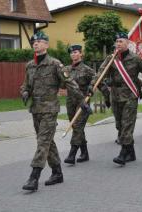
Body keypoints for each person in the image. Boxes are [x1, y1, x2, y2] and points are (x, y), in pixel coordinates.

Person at [20, 31, 88, 191]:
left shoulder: (55, 64)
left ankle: (33, 177)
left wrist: (81, 100)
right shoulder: (30, 65)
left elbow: (70, 83)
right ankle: (57, 173)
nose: (35, 44)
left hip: (50, 109)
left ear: (46, 44)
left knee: (42, 142)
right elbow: (26, 85)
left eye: (39, 41)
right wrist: (24, 92)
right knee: (47, 142)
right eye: (34, 42)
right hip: (35, 110)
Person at [89, 32, 142, 166]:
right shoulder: (111, 59)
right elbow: (100, 73)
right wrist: (92, 85)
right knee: (120, 126)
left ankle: (123, 153)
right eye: (117, 41)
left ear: (128, 43)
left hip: (130, 95)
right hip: (115, 95)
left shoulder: (136, 59)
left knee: (127, 125)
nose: (118, 44)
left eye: (121, 41)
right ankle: (131, 152)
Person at [63, 44, 96, 165]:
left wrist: (106, 95)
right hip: (70, 101)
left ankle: (72, 154)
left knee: (77, 125)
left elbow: (97, 80)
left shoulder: (87, 69)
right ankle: (85, 153)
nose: (73, 54)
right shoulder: (66, 69)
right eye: (71, 53)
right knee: (76, 127)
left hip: (83, 101)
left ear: (81, 54)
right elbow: (62, 83)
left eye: (76, 52)